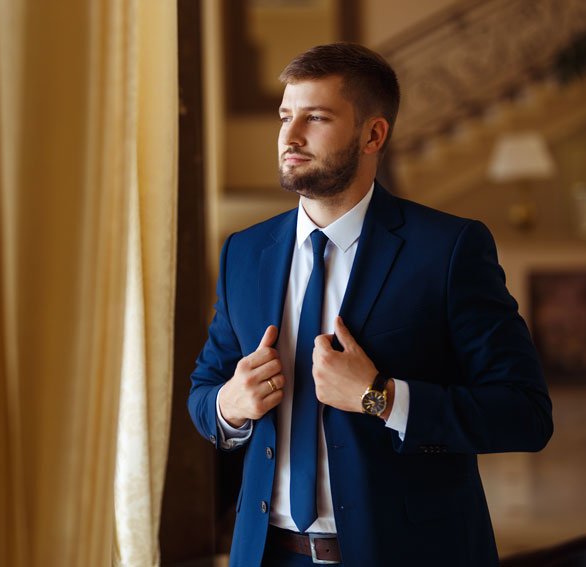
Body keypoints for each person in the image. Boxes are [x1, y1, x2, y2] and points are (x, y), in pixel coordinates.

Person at [188, 43, 553, 566]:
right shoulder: (243, 253)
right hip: (266, 554)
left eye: (315, 118)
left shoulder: (449, 250)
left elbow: (525, 414)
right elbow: (204, 391)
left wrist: (380, 396)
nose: (289, 137)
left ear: (373, 134)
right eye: (285, 116)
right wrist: (230, 405)